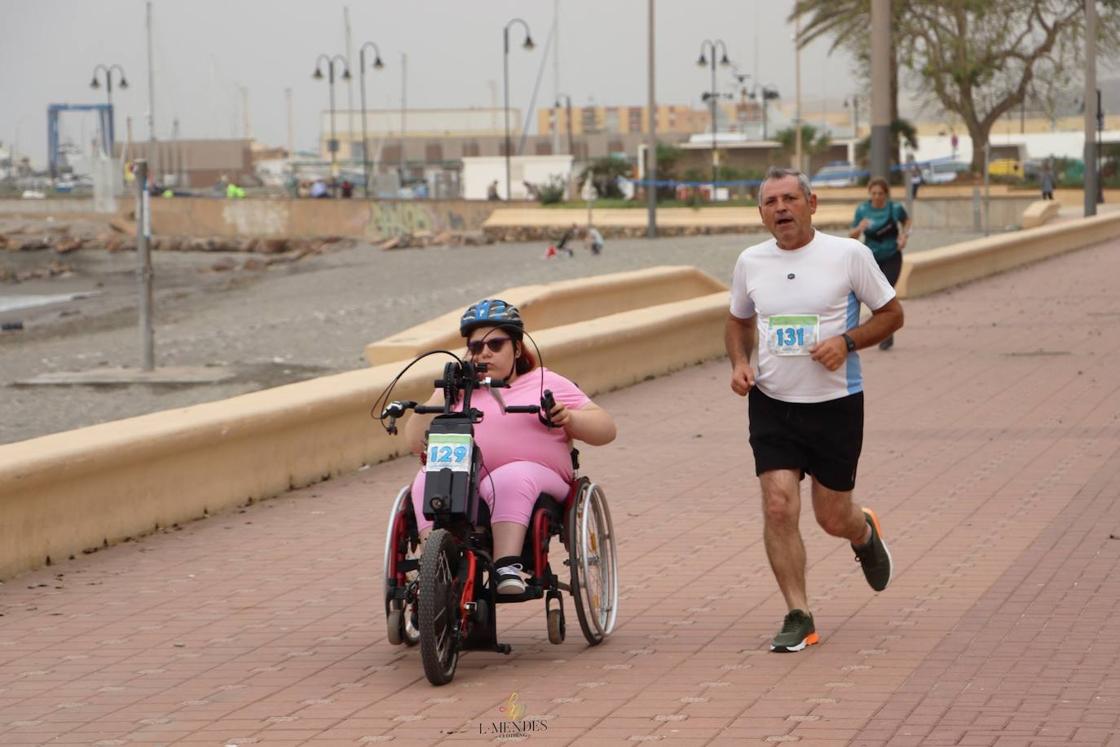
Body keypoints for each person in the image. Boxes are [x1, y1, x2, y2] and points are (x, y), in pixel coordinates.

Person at [725, 167, 904, 653]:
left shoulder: (849, 255)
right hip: (772, 404)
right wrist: (741, 363)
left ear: (812, 203)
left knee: (831, 517)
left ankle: (863, 532)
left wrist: (846, 342)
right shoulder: (750, 262)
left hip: (835, 405)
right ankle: (798, 614)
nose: (781, 208)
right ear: (761, 213)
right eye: (770, 202)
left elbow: (892, 315)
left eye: (789, 199)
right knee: (778, 504)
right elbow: (739, 321)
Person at [404, 299, 617, 594]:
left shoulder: (545, 380)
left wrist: (568, 418)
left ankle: (507, 564)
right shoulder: (458, 389)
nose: (485, 353)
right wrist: (439, 396)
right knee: (428, 475)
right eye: (476, 346)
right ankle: (435, 569)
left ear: (516, 348)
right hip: (467, 482)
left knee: (511, 477)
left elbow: (605, 429)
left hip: (538, 478)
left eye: (495, 344)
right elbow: (414, 443)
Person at [849, 177, 911, 350]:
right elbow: (852, 236)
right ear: (870, 193)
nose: (877, 197)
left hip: (892, 256)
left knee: (887, 292)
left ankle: (884, 331)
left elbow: (907, 221)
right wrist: (859, 228)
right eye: (874, 193)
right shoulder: (862, 210)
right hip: (871, 259)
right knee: (874, 297)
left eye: (880, 193)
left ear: (886, 194)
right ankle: (885, 331)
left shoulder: (895, 208)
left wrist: (904, 235)